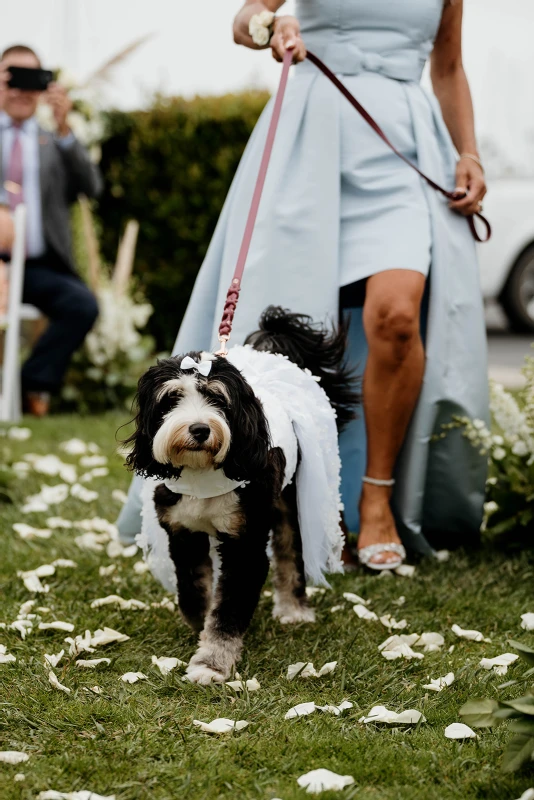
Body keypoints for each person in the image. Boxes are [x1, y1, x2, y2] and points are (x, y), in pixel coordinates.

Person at [118, 0, 489, 571]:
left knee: (395, 317)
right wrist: (270, 26)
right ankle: (265, 494)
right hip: (310, 136)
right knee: (282, 331)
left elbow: (448, 65)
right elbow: (244, 20)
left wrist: (468, 153)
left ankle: (377, 495)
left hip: (404, 149)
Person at [0, 44, 101, 417]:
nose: (21, 90)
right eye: (13, 78)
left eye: (31, 80)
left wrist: (64, 128)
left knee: (82, 305)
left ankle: (29, 382)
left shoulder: (51, 141)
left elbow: (91, 187)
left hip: (38, 267)